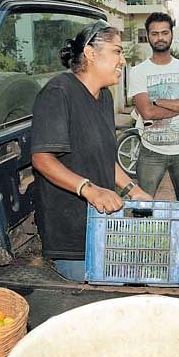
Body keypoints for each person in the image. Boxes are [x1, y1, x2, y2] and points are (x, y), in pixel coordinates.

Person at [31, 19, 152, 279]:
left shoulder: (104, 96)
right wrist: (88, 189)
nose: (122, 60)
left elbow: (103, 157)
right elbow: (42, 159)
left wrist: (133, 189)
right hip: (73, 232)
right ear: (90, 53)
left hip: (102, 223)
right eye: (117, 51)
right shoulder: (59, 92)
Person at [128, 12, 179, 264]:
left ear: (172, 34)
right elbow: (145, 112)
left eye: (165, 32)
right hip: (150, 151)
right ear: (147, 36)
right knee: (141, 206)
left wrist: (159, 101)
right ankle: (140, 252)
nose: (160, 38)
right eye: (155, 33)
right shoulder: (138, 71)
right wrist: (177, 105)